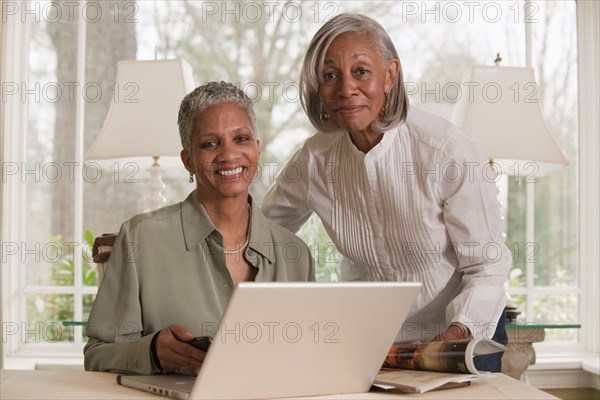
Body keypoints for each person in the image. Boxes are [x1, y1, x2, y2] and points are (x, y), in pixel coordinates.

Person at [261, 13, 511, 372]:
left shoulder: (447, 151)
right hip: (376, 340)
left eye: (361, 71)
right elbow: (262, 233)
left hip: (463, 331)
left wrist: (454, 335)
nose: (346, 89)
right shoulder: (314, 159)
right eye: (330, 75)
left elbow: (487, 266)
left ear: (390, 75)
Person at [84, 81, 315, 375]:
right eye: (210, 143)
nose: (229, 155)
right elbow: (96, 356)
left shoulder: (296, 254)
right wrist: (152, 352)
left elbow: (308, 357)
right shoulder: (140, 239)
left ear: (256, 149)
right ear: (188, 160)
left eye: (241, 139)